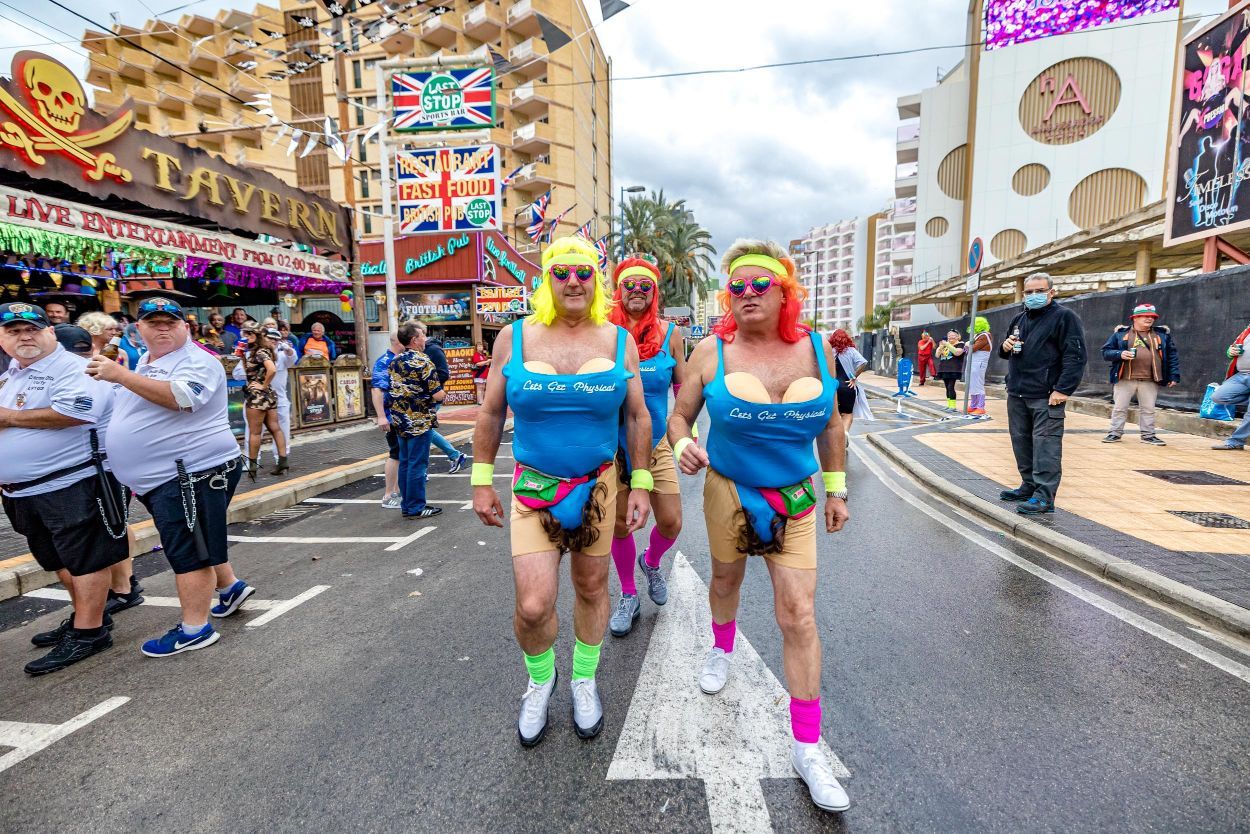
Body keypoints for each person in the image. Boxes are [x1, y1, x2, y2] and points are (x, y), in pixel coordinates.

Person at [668, 239, 850, 813]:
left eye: (758, 285)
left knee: (797, 613)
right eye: (736, 287)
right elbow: (679, 415)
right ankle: (722, 649)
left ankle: (807, 745)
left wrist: (837, 492)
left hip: (795, 497)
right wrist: (681, 445)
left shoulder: (818, 350)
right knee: (725, 583)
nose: (745, 295)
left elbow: (834, 428)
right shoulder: (711, 351)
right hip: (727, 490)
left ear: (783, 293)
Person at [472, 235, 651, 746]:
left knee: (593, 588)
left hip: (597, 488)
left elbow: (637, 415)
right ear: (546, 280)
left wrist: (640, 481)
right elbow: (489, 411)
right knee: (533, 605)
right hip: (533, 488)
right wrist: (481, 481)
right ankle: (541, 679)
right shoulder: (515, 338)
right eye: (561, 272)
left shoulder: (619, 341)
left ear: (596, 280)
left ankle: (584, 679)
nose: (573, 281)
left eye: (584, 273)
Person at [88, 296, 256, 658]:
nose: (162, 328)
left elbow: (182, 398)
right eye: (153, 322)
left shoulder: (198, 361)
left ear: (186, 327)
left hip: (190, 472)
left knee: (189, 550)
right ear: (139, 328)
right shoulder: (147, 361)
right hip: (165, 476)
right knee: (197, 536)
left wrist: (119, 374)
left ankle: (195, 629)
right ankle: (229, 588)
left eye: (170, 322)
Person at [0, 303, 129, 675]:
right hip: (24, 490)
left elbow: (76, 412)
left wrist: (7, 417)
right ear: (2, 339)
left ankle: (90, 632)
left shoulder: (75, 367)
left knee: (86, 557)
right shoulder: (14, 373)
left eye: (32, 329)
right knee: (56, 559)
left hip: (71, 482)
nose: (25, 336)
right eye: (14, 331)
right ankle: (85, 618)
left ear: (51, 332)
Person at [606, 255, 685, 637]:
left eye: (645, 286)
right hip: (613, 448)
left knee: (670, 522)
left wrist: (689, 438)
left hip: (656, 446)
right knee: (620, 526)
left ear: (654, 292)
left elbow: (683, 392)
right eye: (629, 285)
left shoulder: (672, 335)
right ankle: (628, 593)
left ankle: (651, 561)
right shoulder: (603, 333)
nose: (636, 292)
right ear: (618, 291)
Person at [67, 317, 144, 612]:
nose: (116, 333)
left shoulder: (113, 359)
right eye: (110, 329)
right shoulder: (84, 363)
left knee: (114, 522)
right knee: (113, 522)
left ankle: (124, 587)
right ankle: (123, 584)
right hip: (97, 459)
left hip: (106, 459)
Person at [997, 273, 1087, 515]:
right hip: (1017, 392)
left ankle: (1044, 496)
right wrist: (1004, 348)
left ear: (1051, 292)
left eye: (1039, 291)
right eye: (1029, 292)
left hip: (1046, 395)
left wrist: (1062, 389)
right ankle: (1028, 485)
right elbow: (1006, 350)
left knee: (1046, 446)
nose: (1033, 296)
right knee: (1022, 442)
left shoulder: (1064, 318)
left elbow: (1075, 356)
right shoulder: (1020, 318)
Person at [388, 321, 445, 519]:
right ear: (414, 339)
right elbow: (437, 394)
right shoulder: (423, 361)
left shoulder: (395, 360)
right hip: (419, 419)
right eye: (422, 335)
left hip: (399, 418)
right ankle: (415, 507)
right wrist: (443, 393)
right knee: (417, 464)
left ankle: (408, 504)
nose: (425, 339)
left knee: (405, 461)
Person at [1101, 304, 1178, 446]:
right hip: (1124, 378)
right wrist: (1120, 354)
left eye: (1152, 317)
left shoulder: (1162, 335)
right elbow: (1105, 352)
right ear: (1135, 318)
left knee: (1148, 409)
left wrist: (1173, 375)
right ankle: (1114, 433)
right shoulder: (1120, 334)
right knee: (1119, 407)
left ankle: (1148, 436)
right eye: (1146, 316)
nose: (1150, 319)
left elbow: (1172, 356)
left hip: (1150, 379)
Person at [233, 324, 295, 468]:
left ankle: (280, 459)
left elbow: (292, 359)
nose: (273, 341)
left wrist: (288, 349)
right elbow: (237, 374)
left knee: (279, 430)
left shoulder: (280, 355)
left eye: (276, 339)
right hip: (257, 398)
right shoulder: (250, 354)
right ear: (264, 338)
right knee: (255, 431)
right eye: (270, 338)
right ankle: (252, 461)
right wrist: (252, 370)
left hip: (275, 399)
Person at [421, 329, 469, 473]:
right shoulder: (413, 353)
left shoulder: (434, 350)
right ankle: (454, 455)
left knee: (424, 430)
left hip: (432, 398)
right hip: (420, 399)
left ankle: (453, 455)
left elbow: (443, 374)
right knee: (424, 430)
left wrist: (429, 388)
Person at [371, 333, 403, 509]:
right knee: (395, 453)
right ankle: (388, 494)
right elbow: (377, 390)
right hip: (391, 416)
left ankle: (396, 492)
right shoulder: (385, 361)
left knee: (400, 454)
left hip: (401, 415)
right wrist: (382, 416)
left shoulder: (399, 359)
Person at [1210, 320, 1250, 451]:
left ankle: (1236, 441)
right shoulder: (1247, 331)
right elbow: (1232, 348)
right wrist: (1230, 351)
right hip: (1242, 375)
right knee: (1218, 397)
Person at [828, 328, 872, 438]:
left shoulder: (829, 351)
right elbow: (863, 362)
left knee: (835, 414)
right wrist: (854, 378)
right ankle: (845, 433)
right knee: (847, 414)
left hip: (832, 387)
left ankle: (836, 437)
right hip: (848, 386)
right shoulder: (851, 351)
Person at [934, 329, 966, 413]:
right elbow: (937, 355)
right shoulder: (945, 344)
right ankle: (949, 405)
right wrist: (940, 347)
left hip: (954, 369)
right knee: (947, 388)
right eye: (949, 335)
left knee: (950, 387)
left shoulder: (961, 344)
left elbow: (957, 353)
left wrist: (947, 344)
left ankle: (953, 406)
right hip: (944, 369)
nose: (951, 337)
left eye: (953, 335)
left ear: (958, 336)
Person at [967, 317, 993, 416]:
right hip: (974, 362)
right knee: (972, 383)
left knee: (978, 383)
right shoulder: (977, 335)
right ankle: (973, 405)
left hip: (979, 362)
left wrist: (967, 345)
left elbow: (973, 348)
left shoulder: (985, 335)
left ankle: (980, 406)